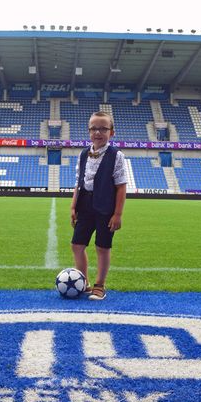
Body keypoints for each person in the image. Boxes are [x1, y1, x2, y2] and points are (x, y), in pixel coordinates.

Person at [70, 111, 127, 301]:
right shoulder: (83, 154)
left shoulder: (116, 156)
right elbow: (79, 182)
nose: (98, 132)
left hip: (105, 205)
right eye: (94, 128)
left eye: (103, 128)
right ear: (89, 131)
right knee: (77, 244)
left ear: (112, 132)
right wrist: (73, 206)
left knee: (102, 247)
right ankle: (83, 282)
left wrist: (117, 214)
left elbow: (120, 187)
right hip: (84, 203)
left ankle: (100, 285)